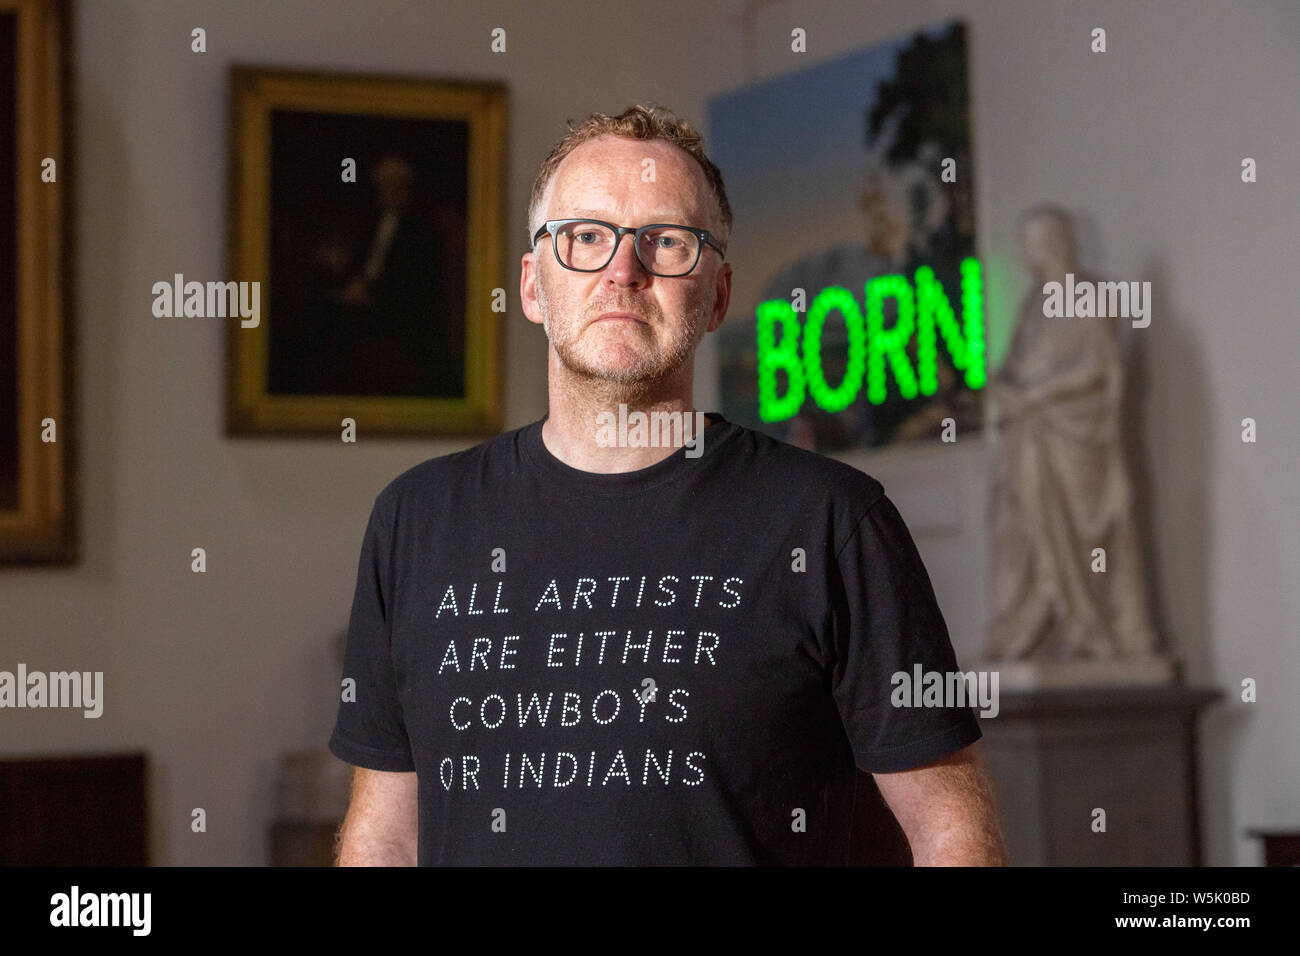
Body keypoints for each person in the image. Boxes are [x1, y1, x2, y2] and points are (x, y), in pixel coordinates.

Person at [329, 104, 1008, 866]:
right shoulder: (416, 521)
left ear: (717, 295)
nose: (624, 269)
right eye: (586, 237)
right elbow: (384, 835)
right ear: (531, 285)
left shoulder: (831, 522)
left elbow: (953, 833)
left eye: (667, 241)